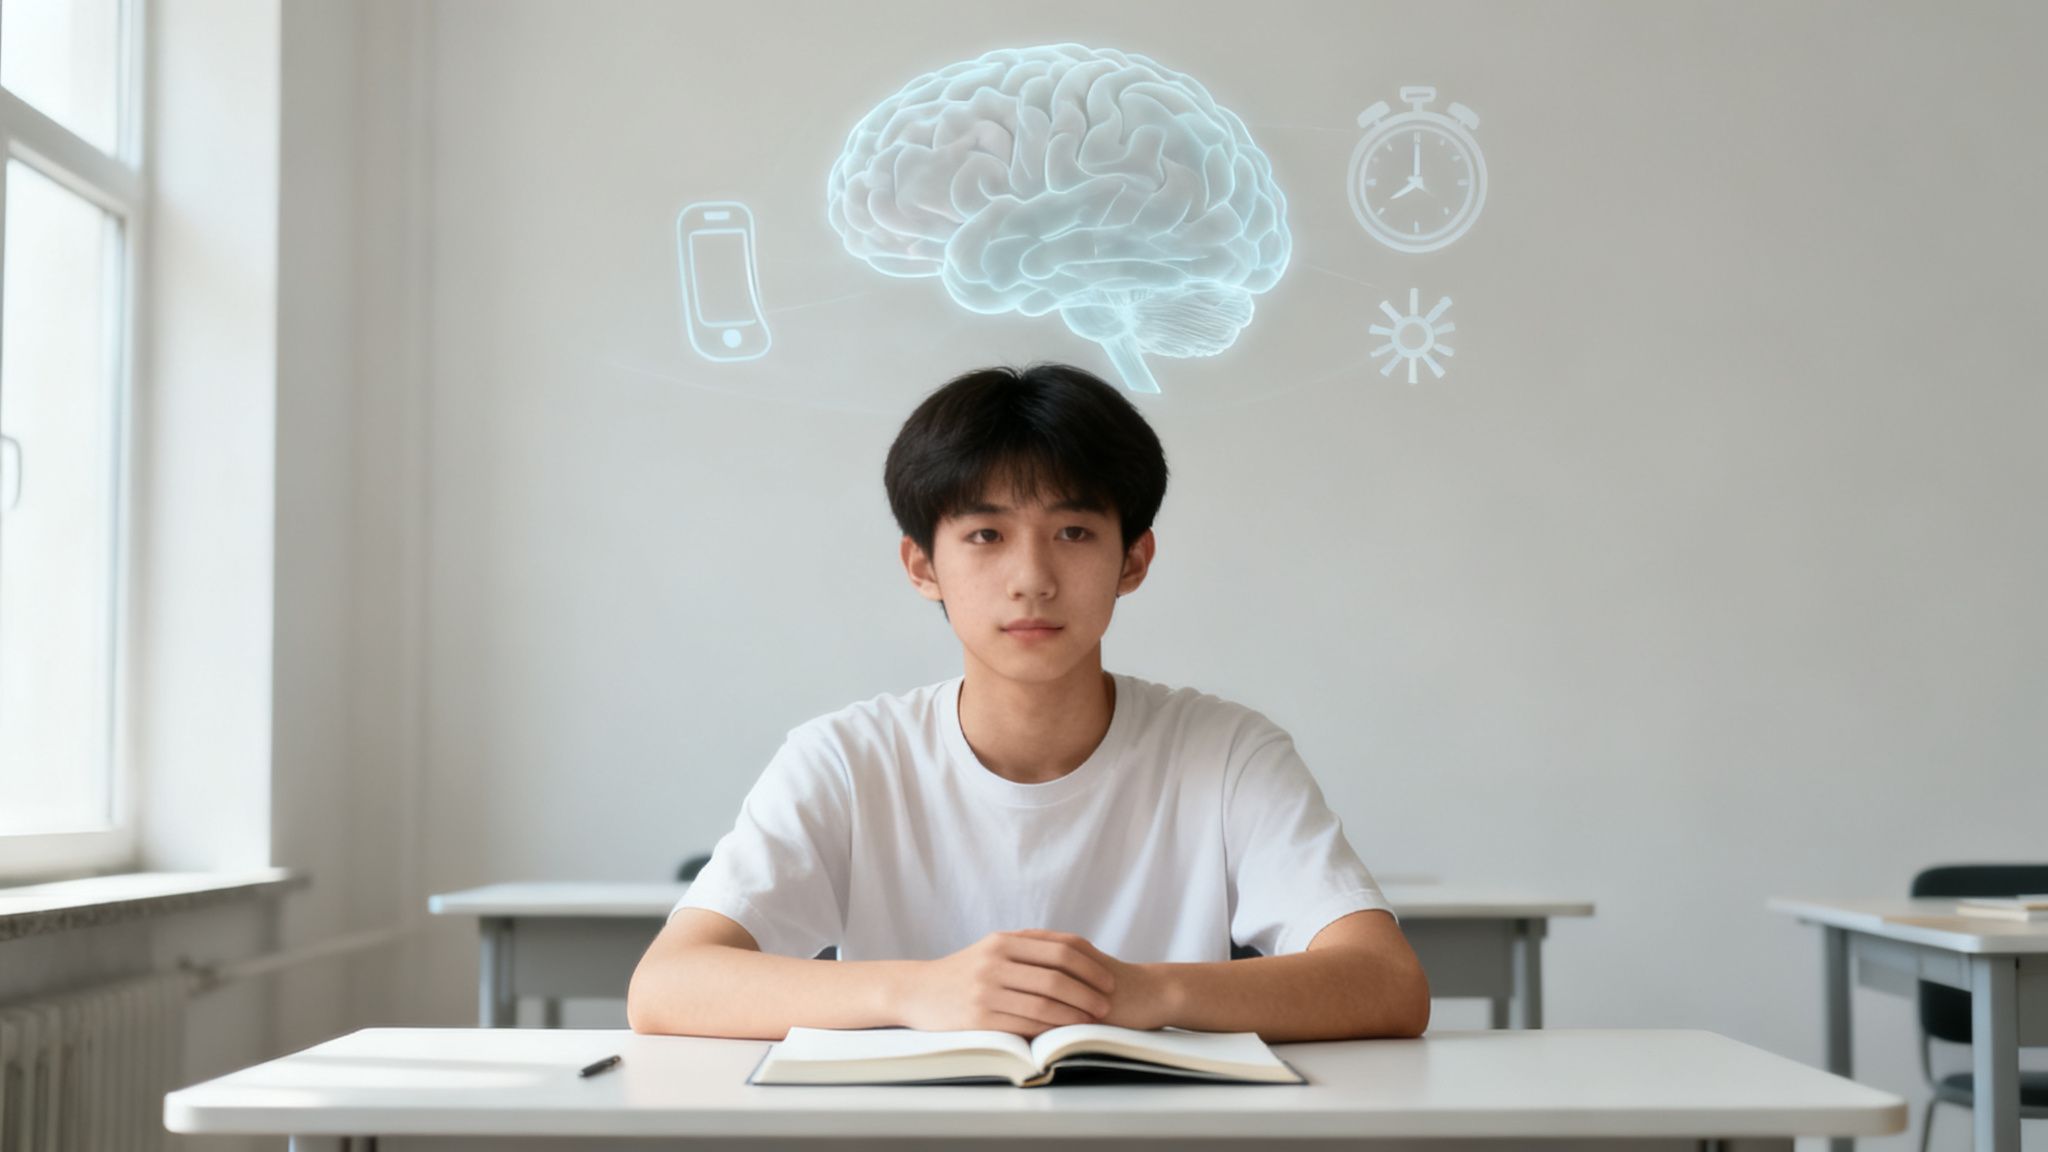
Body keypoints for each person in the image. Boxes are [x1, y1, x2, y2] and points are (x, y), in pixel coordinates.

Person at [627, 363, 1429, 1042]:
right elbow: (667, 986)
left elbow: (1387, 982)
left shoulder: (1225, 751)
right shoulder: (845, 757)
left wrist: (1147, 993)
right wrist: (914, 993)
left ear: (1134, 559)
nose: (1032, 578)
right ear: (921, 566)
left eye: (1074, 532)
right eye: (986, 536)